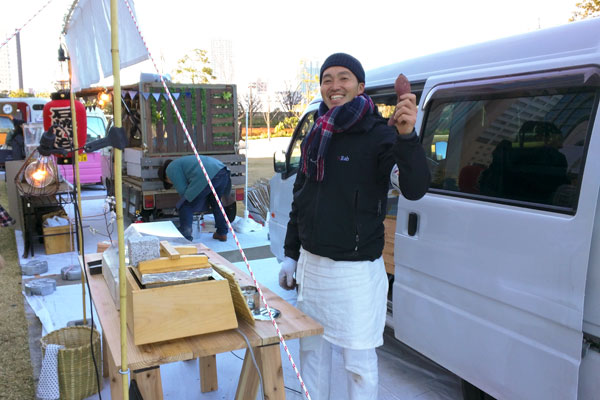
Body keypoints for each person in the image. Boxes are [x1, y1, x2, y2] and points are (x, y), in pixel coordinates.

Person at [278, 53, 430, 400]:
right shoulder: (316, 134)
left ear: (360, 87)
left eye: (344, 78)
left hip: (356, 273)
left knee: (358, 364)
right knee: (312, 355)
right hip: (313, 269)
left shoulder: (379, 135)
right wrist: (291, 255)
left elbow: (415, 186)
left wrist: (407, 139)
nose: (334, 86)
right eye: (327, 78)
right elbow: (301, 199)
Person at [157, 155, 232, 242]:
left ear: (165, 177)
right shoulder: (182, 163)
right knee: (216, 203)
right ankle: (222, 233)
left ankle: (185, 236)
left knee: (185, 205)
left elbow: (184, 192)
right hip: (223, 170)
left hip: (208, 174)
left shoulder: (170, 169)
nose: (172, 183)